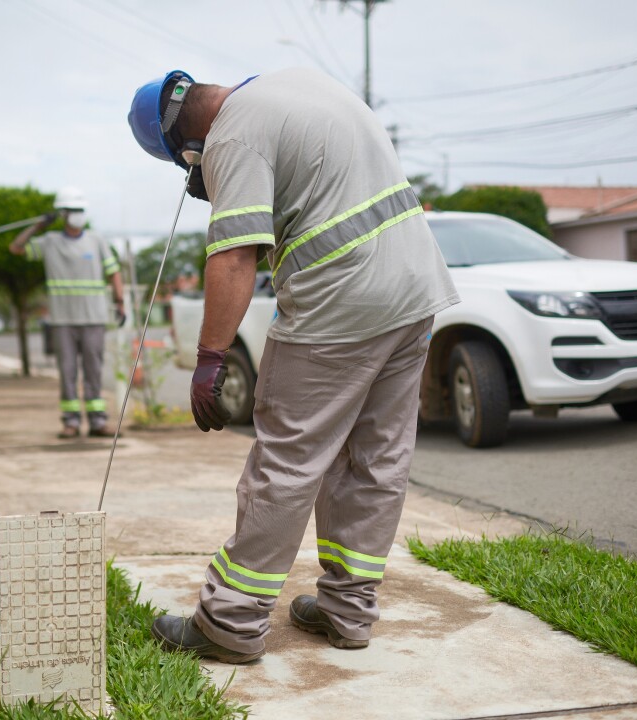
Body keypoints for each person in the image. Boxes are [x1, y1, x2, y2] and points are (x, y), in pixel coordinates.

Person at [127, 68, 459, 663]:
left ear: (186, 145)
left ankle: (229, 623)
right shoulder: (297, 85)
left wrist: (209, 358)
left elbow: (235, 255)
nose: (193, 177)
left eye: (185, 166)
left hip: (342, 300)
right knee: (376, 456)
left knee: (287, 458)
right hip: (416, 289)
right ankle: (348, 611)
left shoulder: (232, 136)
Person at [10, 187, 125, 439]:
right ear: (62, 214)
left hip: (94, 319)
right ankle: (71, 423)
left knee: (94, 372)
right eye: (72, 211)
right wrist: (37, 226)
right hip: (62, 321)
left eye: (80, 210)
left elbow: (113, 271)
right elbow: (16, 248)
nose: (78, 215)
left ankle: (97, 422)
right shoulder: (50, 242)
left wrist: (120, 302)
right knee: (68, 372)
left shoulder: (96, 240)